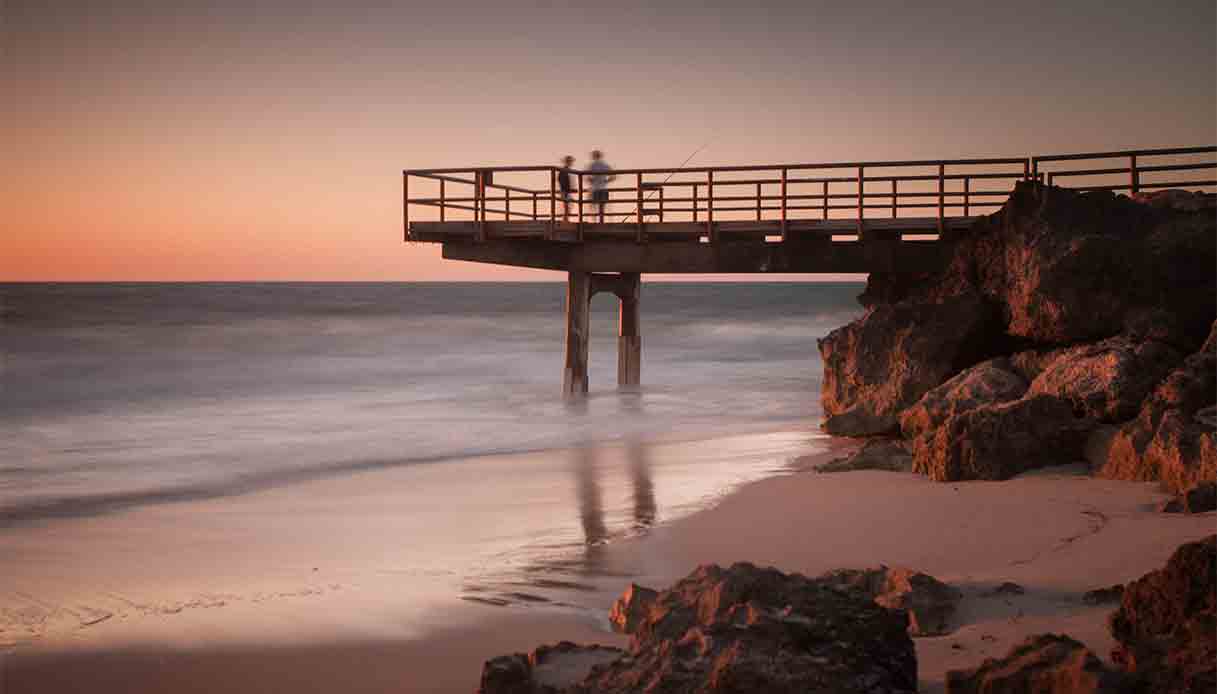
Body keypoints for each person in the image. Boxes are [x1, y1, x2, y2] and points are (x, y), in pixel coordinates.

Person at [587, 150, 615, 221]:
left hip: (595, 188)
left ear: (594, 156)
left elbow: (587, 177)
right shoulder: (605, 165)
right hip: (603, 187)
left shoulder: (591, 165)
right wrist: (606, 181)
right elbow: (613, 175)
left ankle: (594, 221)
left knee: (594, 206)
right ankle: (601, 221)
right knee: (602, 206)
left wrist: (592, 181)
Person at [558, 155, 575, 222]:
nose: (570, 163)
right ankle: (565, 219)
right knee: (567, 205)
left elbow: (560, 179)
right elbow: (561, 180)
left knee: (568, 205)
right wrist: (565, 189)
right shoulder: (564, 170)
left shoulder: (566, 170)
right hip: (565, 190)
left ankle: (565, 218)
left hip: (566, 190)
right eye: (569, 161)